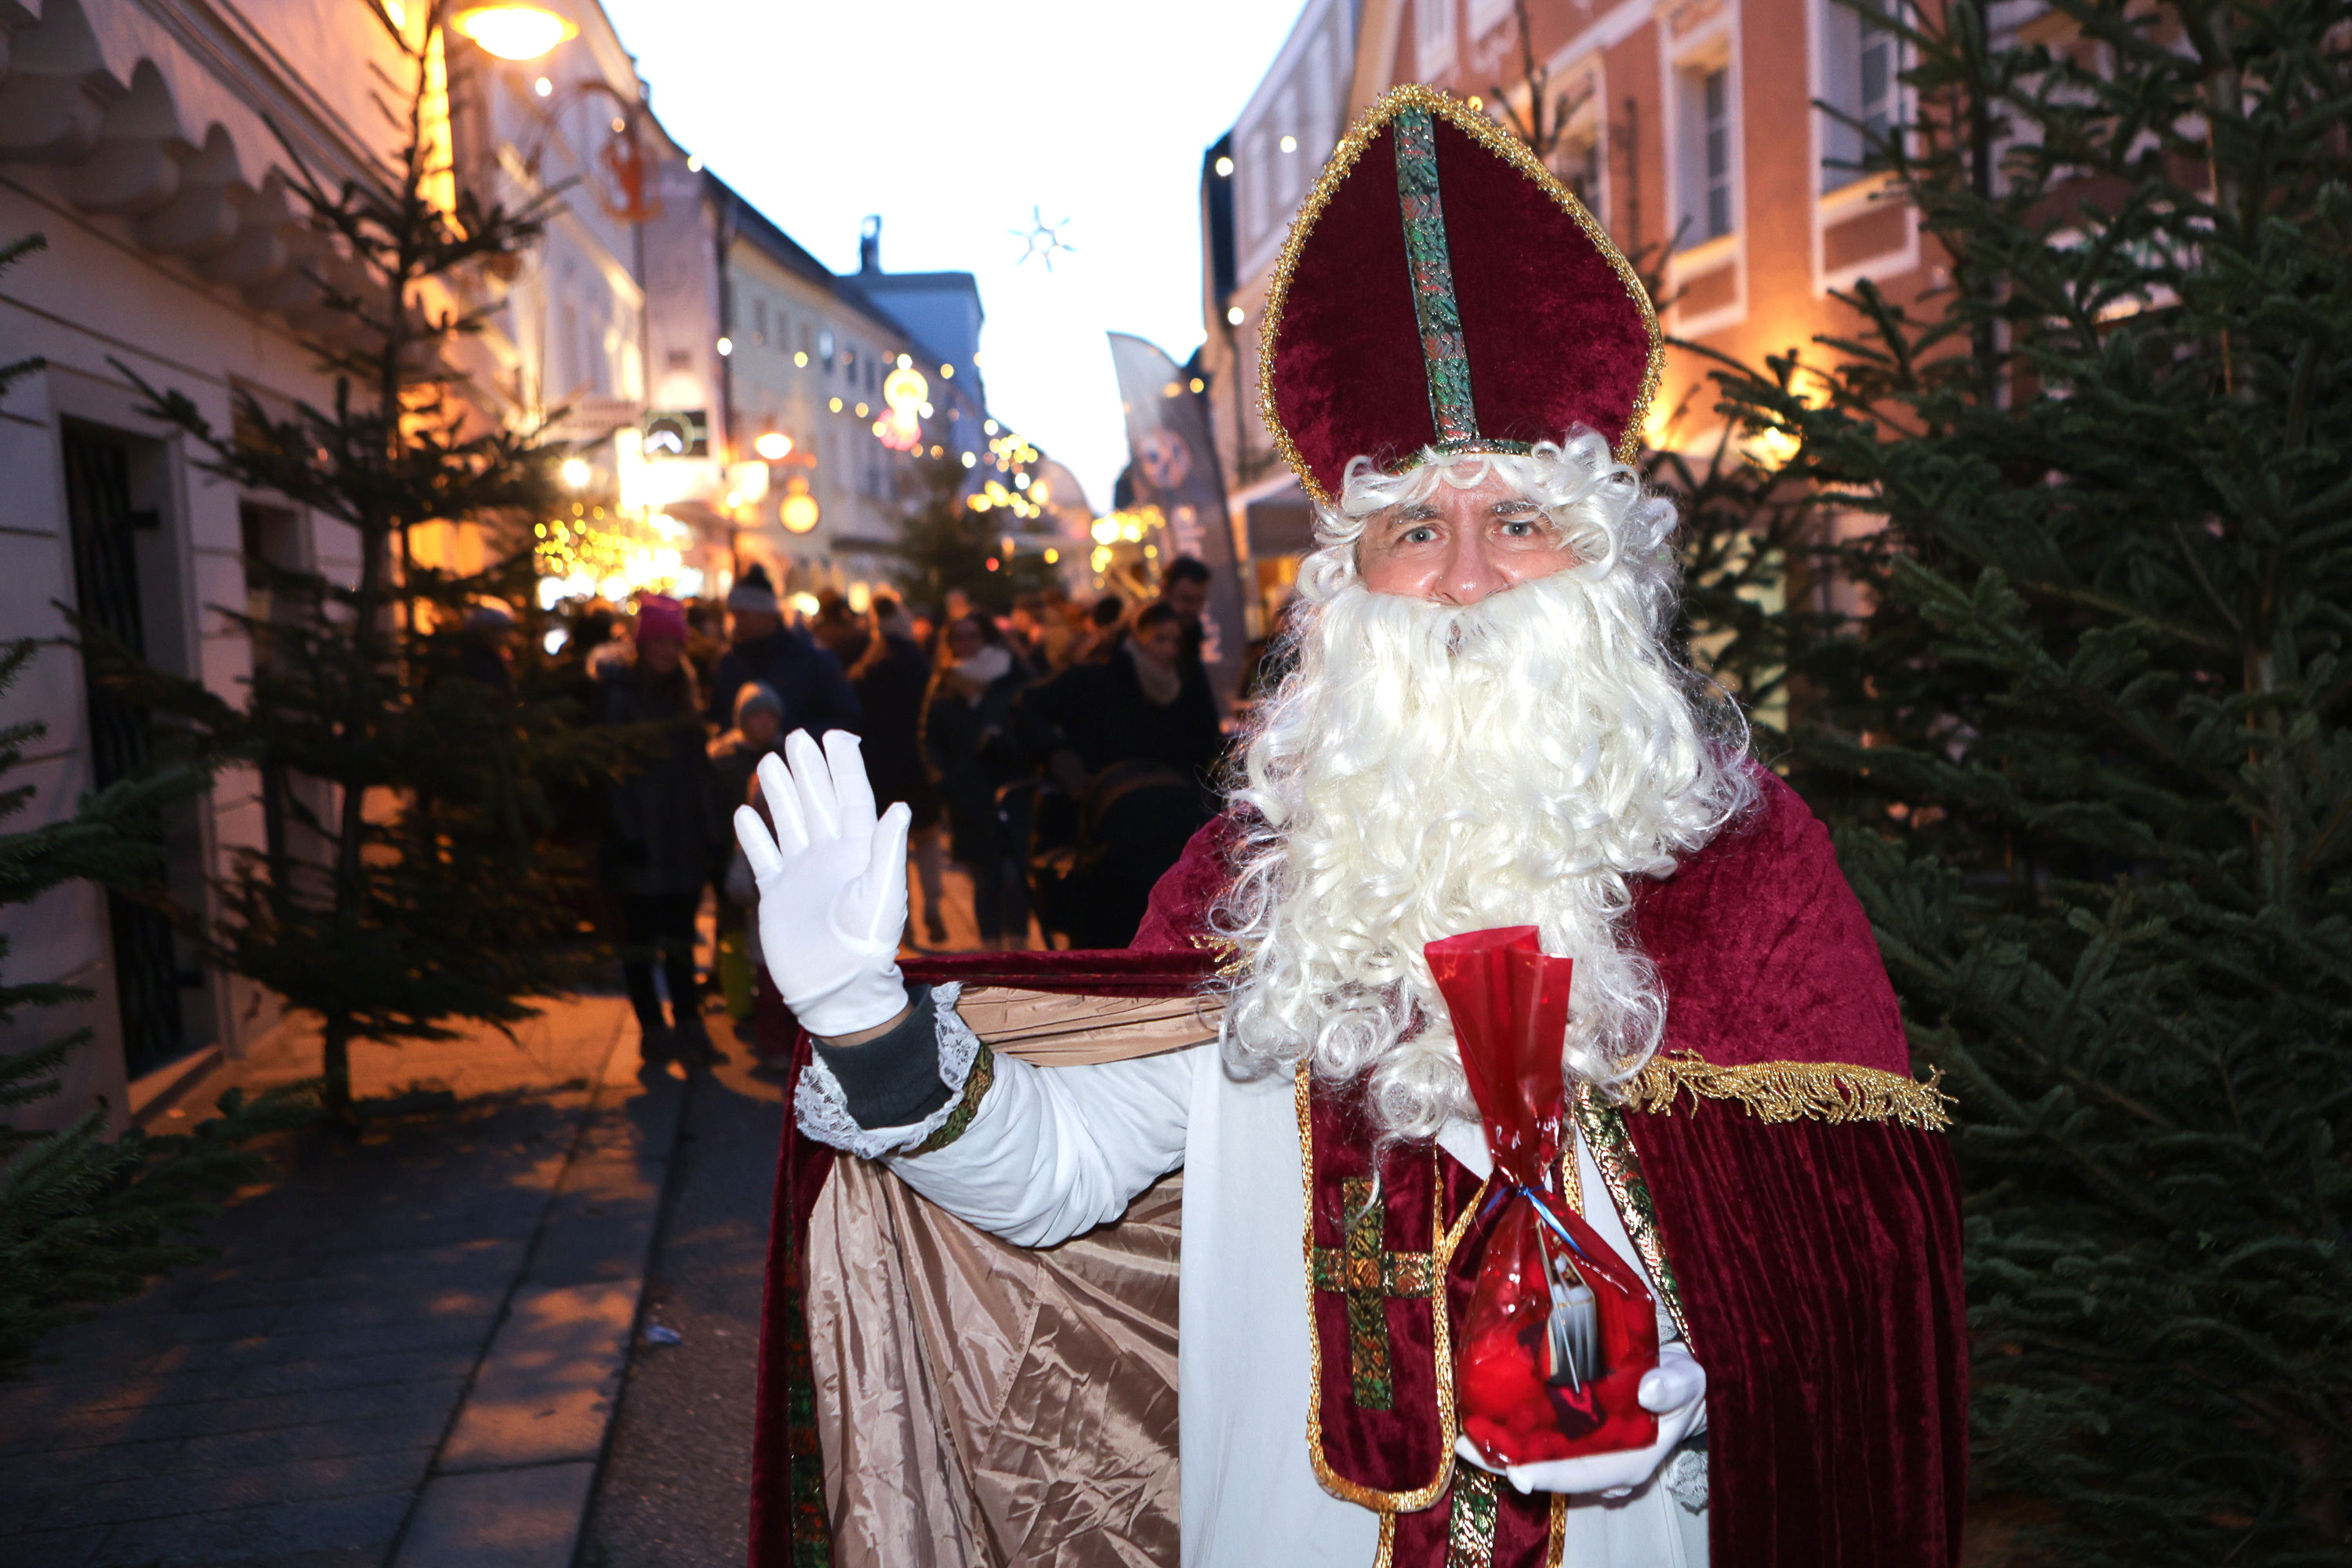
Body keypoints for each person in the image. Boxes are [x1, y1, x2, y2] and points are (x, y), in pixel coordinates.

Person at [740, 90, 1964, 1568]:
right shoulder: (1254, 885)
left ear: (1602, 567)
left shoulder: (1744, 868)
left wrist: (1708, 1388)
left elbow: (1854, 1282)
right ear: (1349, 588)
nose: (1462, 579)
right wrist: (868, 1020)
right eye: (1411, 529)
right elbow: (1055, 1178)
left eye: (1518, 521)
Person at [1015, 599, 1225, 946]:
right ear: (1137, 638)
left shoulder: (1185, 684)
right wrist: (1058, 755)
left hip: (1171, 820)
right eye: (1159, 639)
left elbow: (1205, 743)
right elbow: (1027, 707)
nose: (1169, 650)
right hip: (1105, 829)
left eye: (1175, 641)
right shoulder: (1096, 677)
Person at [596, 594, 728, 1062]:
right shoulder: (623, 697)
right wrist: (628, 834)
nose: (669, 652)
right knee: (641, 939)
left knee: (679, 938)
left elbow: (699, 774)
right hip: (643, 838)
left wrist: (713, 832)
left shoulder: (685, 694)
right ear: (644, 645)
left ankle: (689, 1026)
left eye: (676, 643)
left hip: (682, 838)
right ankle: (653, 1028)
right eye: (661, 643)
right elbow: (614, 771)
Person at [920, 612, 1033, 949]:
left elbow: (1031, 729)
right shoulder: (944, 685)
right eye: (959, 637)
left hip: (1010, 791)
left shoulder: (1013, 678)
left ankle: (1018, 949)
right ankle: (992, 953)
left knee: (1014, 875)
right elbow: (930, 740)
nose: (966, 643)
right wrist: (944, 780)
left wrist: (1005, 743)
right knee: (984, 878)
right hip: (967, 796)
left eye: (973, 635)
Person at [849, 593, 947, 946]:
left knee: (892, 847)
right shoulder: (921, 664)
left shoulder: (866, 668)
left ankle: (901, 919)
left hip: (878, 765)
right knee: (927, 836)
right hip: (917, 759)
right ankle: (933, 904)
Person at [708, 563, 863, 739]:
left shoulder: (811, 658)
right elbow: (719, 716)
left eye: (744, 614)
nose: (737, 623)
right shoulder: (729, 660)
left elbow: (847, 718)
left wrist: (792, 741)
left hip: (794, 763)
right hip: (740, 764)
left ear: (767, 614)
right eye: (734, 615)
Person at [710, 682, 784, 1021]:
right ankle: (739, 1004)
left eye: (771, 715)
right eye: (757, 715)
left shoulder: (785, 755)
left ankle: (775, 1008)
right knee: (733, 932)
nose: (766, 722)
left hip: (780, 859)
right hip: (732, 857)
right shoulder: (723, 760)